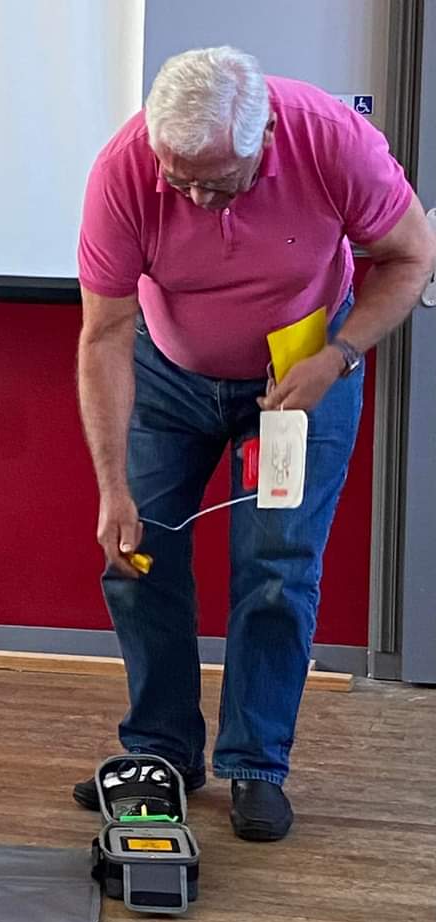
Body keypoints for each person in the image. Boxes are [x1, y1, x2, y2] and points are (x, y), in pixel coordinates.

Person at [74, 47, 436, 840]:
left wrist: (337, 359)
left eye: (217, 181)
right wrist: (112, 488)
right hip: (167, 376)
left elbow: (412, 257)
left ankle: (255, 764)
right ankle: (162, 751)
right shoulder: (125, 170)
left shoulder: (332, 141)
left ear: (264, 134)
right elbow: (104, 334)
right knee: (136, 559)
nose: (197, 199)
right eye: (180, 179)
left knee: (276, 569)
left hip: (305, 367)